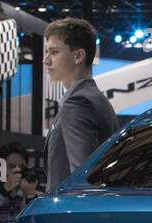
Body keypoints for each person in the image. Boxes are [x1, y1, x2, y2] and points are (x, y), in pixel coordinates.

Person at [43, 18, 119, 191]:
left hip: (67, 214)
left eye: (54, 52)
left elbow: (83, 181)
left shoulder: (78, 103)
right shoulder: (96, 99)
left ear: (78, 56)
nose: (46, 60)